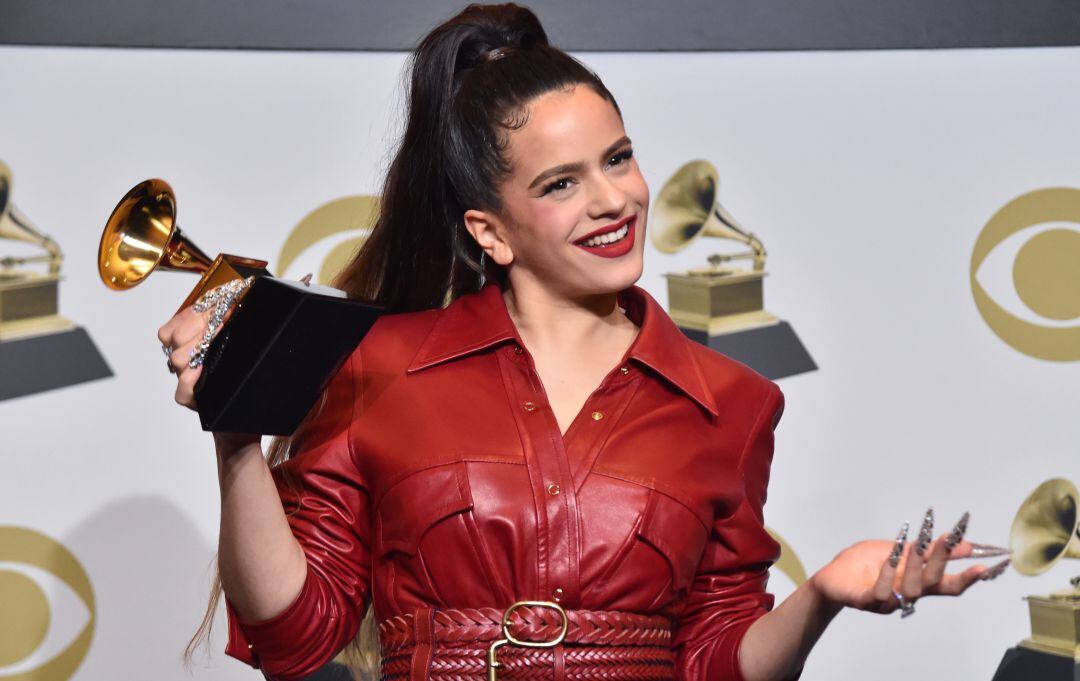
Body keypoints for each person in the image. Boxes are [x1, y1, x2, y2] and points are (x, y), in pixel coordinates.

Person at [157, 4, 1011, 680]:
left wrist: (824, 590)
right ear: (491, 232)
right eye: (562, 182)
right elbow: (295, 636)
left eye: (620, 158)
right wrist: (237, 432)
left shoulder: (738, 403)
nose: (614, 200)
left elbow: (715, 661)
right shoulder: (379, 365)